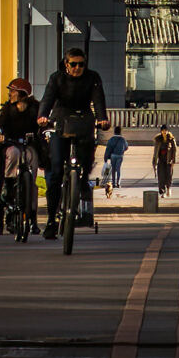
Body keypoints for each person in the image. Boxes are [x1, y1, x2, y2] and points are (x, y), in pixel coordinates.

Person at [37, 47, 109, 239]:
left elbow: (99, 100)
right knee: (56, 171)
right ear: (66, 64)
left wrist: (102, 118)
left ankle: (83, 180)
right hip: (61, 119)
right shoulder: (56, 78)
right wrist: (43, 116)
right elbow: (47, 99)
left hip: (84, 118)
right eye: (73, 64)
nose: (78, 68)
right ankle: (51, 220)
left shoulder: (93, 77)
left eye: (81, 64)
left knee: (87, 152)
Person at [0, 78, 42, 235]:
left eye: (12, 91)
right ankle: (9, 181)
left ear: (22, 94)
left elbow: (43, 119)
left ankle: (33, 220)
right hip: (11, 144)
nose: (10, 94)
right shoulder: (7, 108)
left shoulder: (35, 107)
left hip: (29, 145)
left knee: (31, 157)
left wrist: (45, 124)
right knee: (14, 153)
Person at [152, 124, 177, 197]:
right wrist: (154, 162)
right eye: (163, 130)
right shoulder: (158, 140)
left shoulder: (171, 139)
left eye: (165, 130)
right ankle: (162, 191)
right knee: (161, 176)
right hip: (161, 160)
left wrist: (174, 160)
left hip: (168, 160)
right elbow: (155, 152)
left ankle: (168, 188)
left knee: (168, 176)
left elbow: (174, 150)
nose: (164, 132)